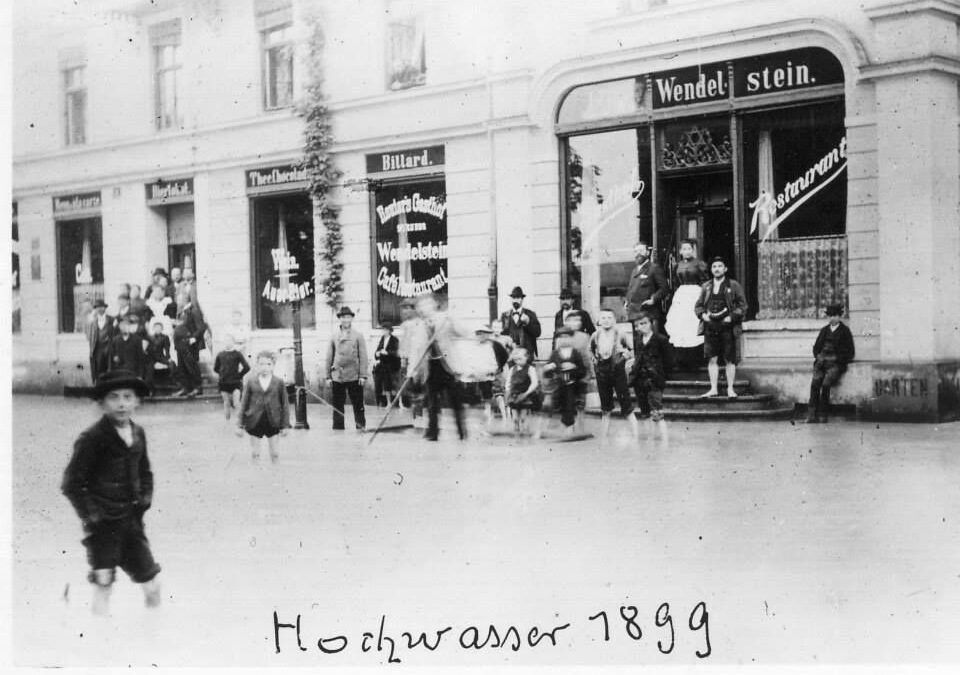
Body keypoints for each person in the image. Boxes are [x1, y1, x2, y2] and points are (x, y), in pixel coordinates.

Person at [61, 370, 162, 616]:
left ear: (137, 401)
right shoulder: (92, 438)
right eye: (113, 397)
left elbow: (145, 471)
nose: (121, 403)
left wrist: (144, 499)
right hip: (103, 529)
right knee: (103, 587)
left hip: (132, 524)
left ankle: (154, 640)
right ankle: (101, 646)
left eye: (128, 397)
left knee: (152, 586)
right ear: (101, 403)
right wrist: (93, 516)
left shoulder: (138, 434)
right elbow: (72, 484)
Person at [418, 294, 470, 441]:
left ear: (434, 305)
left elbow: (462, 332)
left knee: (455, 401)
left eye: (427, 305)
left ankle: (462, 432)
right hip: (431, 366)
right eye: (422, 307)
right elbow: (418, 348)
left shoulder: (445, 319)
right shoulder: (421, 325)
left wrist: (453, 319)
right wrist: (414, 369)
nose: (424, 309)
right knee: (432, 403)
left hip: (447, 365)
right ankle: (433, 433)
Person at [694, 257, 747, 398]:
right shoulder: (706, 286)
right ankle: (713, 389)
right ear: (711, 270)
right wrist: (703, 315)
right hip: (711, 327)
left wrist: (732, 317)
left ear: (725, 269)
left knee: (730, 359)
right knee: (712, 359)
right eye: (714, 266)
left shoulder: (733, 285)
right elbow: (698, 306)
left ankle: (730, 388)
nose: (717, 269)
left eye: (719, 266)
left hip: (728, 327)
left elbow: (743, 306)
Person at [590, 307, 638, 438]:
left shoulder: (620, 334)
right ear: (599, 320)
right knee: (606, 407)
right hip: (602, 372)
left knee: (626, 404)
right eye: (603, 318)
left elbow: (632, 350)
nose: (606, 321)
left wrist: (624, 358)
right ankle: (604, 436)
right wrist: (594, 360)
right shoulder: (595, 335)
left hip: (618, 372)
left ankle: (636, 435)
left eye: (609, 318)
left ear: (614, 320)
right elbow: (591, 350)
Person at [236, 350, 290, 462]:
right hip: (255, 420)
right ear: (257, 365)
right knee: (255, 453)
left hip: (273, 421)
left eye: (268, 364)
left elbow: (285, 405)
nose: (265, 367)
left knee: (275, 453)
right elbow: (244, 404)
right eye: (261, 364)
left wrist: (285, 425)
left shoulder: (279, 382)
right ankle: (256, 475)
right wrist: (240, 425)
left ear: (273, 365)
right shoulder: (251, 382)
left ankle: (275, 475)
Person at [806, 303, 856, 423]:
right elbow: (816, 347)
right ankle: (811, 415)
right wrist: (818, 357)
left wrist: (838, 360)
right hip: (821, 363)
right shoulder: (824, 330)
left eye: (834, 315)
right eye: (829, 316)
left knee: (826, 384)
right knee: (815, 384)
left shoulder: (845, 331)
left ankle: (823, 415)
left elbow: (850, 351)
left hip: (835, 364)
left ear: (839, 316)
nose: (832, 318)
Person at [665, 239, 710, 370]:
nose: (686, 251)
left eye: (689, 249)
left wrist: (703, 298)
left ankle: (696, 358)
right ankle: (681, 359)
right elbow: (675, 282)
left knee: (693, 324)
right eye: (684, 249)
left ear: (693, 250)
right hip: (682, 295)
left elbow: (705, 282)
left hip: (695, 293)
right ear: (680, 251)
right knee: (680, 325)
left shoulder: (700, 264)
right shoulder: (677, 265)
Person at [324, 306, 368, 431]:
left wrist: (363, 375)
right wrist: (327, 376)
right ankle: (338, 429)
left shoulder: (358, 336)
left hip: (354, 375)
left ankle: (360, 427)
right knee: (337, 405)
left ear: (352, 319)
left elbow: (363, 356)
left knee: (358, 404)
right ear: (340, 319)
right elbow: (329, 357)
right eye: (343, 317)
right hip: (338, 376)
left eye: (348, 317)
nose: (346, 320)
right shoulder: (334, 336)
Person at [543, 326, 588, 437]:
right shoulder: (555, 354)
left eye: (567, 337)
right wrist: (549, 368)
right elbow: (547, 372)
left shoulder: (575, 353)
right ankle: (558, 425)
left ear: (572, 339)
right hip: (558, 384)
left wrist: (573, 367)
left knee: (569, 403)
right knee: (556, 403)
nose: (564, 340)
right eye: (561, 337)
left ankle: (570, 426)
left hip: (573, 384)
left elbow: (582, 371)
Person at [631, 313, 672, 430]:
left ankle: (663, 437)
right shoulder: (637, 340)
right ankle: (650, 436)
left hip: (655, 379)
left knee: (657, 410)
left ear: (651, 324)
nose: (641, 326)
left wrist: (662, 375)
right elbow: (638, 358)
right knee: (644, 410)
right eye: (638, 325)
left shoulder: (660, 340)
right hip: (640, 379)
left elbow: (668, 360)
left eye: (644, 323)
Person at [624, 241, 668, 338]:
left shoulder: (654, 268)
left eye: (641, 250)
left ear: (647, 253)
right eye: (635, 251)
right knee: (637, 342)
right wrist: (627, 301)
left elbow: (664, 288)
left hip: (648, 313)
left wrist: (653, 299)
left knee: (651, 341)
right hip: (634, 313)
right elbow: (631, 289)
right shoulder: (634, 270)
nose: (638, 253)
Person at [398, 298, 429, 426]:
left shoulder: (422, 324)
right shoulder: (405, 326)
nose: (405, 312)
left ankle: (420, 417)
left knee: (421, 389)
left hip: (422, 361)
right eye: (403, 309)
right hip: (411, 361)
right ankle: (416, 417)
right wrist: (403, 362)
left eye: (407, 308)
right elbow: (404, 346)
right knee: (413, 390)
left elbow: (424, 343)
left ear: (413, 309)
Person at [475, 324, 510, 427]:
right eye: (478, 334)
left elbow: (504, 355)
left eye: (482, 334)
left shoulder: (494, 345)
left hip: (495, 372)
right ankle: (489, 416)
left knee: (499, 394)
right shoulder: (477, 347)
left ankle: (504, 417)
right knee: (486, 396)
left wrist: (499, 367)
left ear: (487, 334)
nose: (480, 336)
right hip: (483, 374)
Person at [171, 301, 205, 398]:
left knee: (191, 366)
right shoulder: (182, 311)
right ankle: (186, 388)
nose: (179, 298)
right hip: (179, 344)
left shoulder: (194, 310)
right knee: (182, 367)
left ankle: (197, 388)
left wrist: (193, 338)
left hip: (189, 345)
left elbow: (201, 327)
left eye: (182, 296)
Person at [504, 347, 541, 435]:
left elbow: (534, 382)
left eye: (520, 359)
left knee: (524, 415)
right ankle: (516, 427)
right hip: (514, 395)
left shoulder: (530, 369)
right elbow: (508, 382)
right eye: (516, 359)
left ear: (527, 357)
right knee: (515, 416)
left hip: (525, 394)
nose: (518, 361)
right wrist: (508, 391)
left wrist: (527, 393)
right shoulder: (512, 369)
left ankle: (524, 427)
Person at [214, 334, 251, 421]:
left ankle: (240, 422)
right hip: (224, 383)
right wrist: (222, 374)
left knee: (236, 403)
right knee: (226, 403)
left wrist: (239, 375)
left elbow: (247, 367)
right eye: (226, 341)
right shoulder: (220, 354)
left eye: (229, 341)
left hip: (235, 382)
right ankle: (227, 422)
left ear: (233, 342)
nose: (227, 343)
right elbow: (216, 368)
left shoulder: (237, 354)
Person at [500, 286, 542, 358]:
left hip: (527, 354)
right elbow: (501, 335)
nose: (515, 300)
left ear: (522, 299)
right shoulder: (505, 316)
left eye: (518, 298)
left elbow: (537, 333)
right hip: (511, 354)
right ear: (511, 299)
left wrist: (528, 323)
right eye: (513, 298)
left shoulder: (530, 314)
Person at [107, 314, 147, 378]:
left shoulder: (137, 340)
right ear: (120, 328)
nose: (125, 328)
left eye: (127, 326)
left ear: (130, 327)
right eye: (123, 326)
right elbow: (111, 358)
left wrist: (140, 375)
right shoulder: (115, 340)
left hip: (133, 371)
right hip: (119, 371)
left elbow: (140, 359)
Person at [86, 298, 115, 385]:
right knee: (98, 369)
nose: (100, 309)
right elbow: (89, 336)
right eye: (97, 307)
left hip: (109, 347)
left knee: (109, 369)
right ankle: (98, 388)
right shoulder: (92, 321)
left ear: (105, 308)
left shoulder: (111, 319)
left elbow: (114, 334)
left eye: (101, 307)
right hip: (97, 347)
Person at [143, 320, 175, 396]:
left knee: (172, 364)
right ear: (153, 328)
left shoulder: (165, 337)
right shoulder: (149, 337)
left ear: (162, 329)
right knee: (148, 370)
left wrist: (168, 358)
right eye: (156, 328)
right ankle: (150, 389)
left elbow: (167, 349)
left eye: (159, 328)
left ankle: (172, 382)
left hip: (160, 356)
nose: (158, 329)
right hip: (151, 357)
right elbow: (146, 348)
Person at [372, 323, 401, 407]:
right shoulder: (382, 339)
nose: (383, 331)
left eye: (385, 330)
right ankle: (383, 401)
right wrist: (377, 354)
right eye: (383, 330)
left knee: (392, 381)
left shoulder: (394, 339)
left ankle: (396, 402)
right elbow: (378, 350)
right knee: (378, 377)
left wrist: (387, 352)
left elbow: (396, 352)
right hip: (383, 364)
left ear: (389, 331)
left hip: (392, 364)